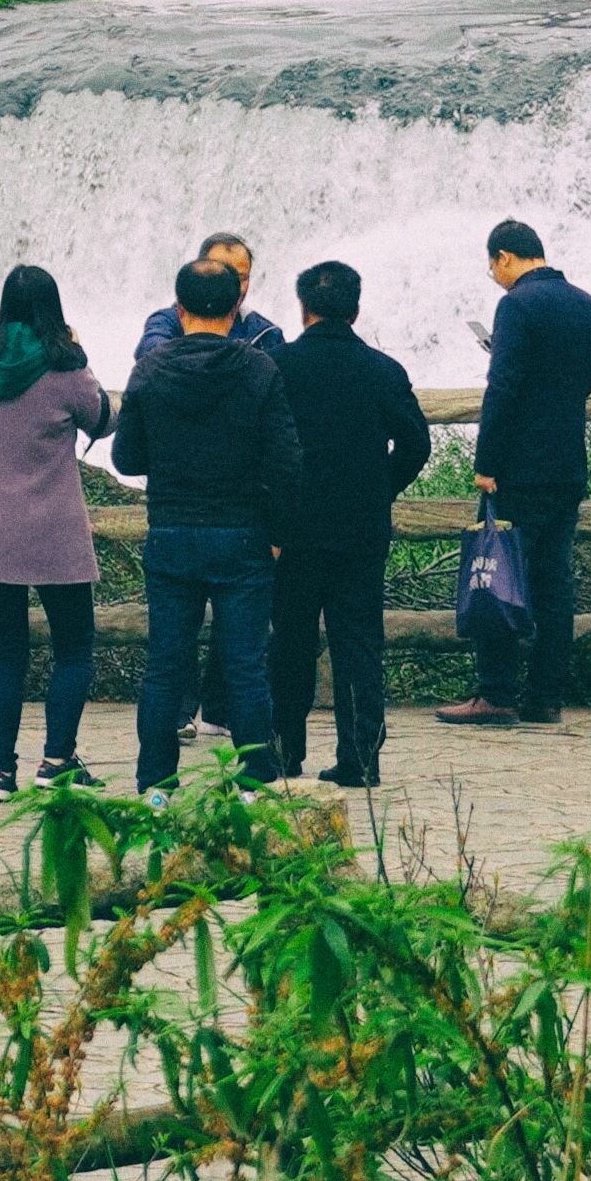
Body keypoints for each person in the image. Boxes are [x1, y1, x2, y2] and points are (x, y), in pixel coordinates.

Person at [113, 257, 298, 791]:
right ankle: (254, 785)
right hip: (243, 534)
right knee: (246, 668)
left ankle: (156, 787)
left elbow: (126, 457)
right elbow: (286, 462)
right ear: (237, 305)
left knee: (165, 667)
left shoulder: (150, 369)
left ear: (179, 308)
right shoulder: (260, 369)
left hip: (172, 532)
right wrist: (279, 535)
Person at [0, 266, 114, 799]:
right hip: (53, 530)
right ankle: (56, 760)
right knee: (73, 647)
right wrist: (80, 355)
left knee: (7, 651)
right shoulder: (65, 365)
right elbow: (103, 420)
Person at [271, 261, 430, 787]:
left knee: (289, 640)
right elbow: (417, 444)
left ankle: (283, 750)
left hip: (293, 530)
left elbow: (262, 448)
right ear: (356, 309)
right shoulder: (382, 370)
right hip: (361, 528)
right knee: (359, 642)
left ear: (303, 308)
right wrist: (381, 487)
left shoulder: (277, 367)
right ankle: (360, 757)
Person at [440, 219, 591, 729]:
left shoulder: (516, 306)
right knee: (554, 585)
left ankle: (496, 693)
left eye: (493, 266)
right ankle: (546, 696)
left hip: (518, 468)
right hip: (567, 463)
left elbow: (504, 387)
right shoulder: (588, 305)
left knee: (498, 572)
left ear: (505, 257)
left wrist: (486, 462)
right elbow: (585, 381)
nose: (494, 276)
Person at [137, 233, 294, 366]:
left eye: (241, 278)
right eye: (221, 275)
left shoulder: (266, 334)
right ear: (199, 272)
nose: (232, 285)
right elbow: (150, 353)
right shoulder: (167, 322)